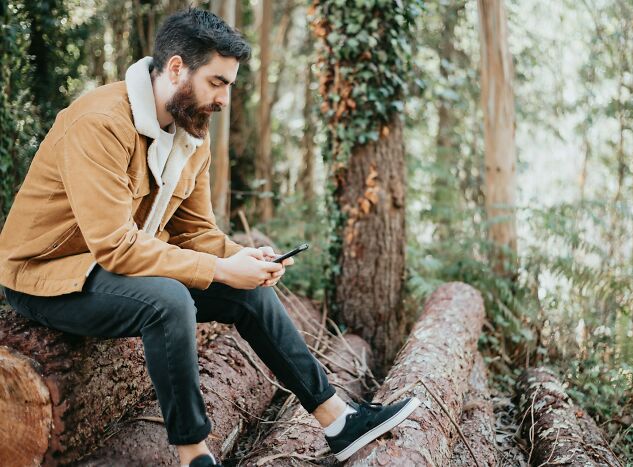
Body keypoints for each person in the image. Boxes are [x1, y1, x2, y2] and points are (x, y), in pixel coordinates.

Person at [0, 7, 419, 467]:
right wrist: (220, 268)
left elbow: (196, 231)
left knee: (248, 295)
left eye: (229, 86)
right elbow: (114, 244)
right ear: (177, 67)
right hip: (45, 277)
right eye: (216, 82)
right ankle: (194, 454)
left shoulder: (190, 133)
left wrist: (245, 259)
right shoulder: (101, 122)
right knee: (169, 299)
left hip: (111, 272)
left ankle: (338, 419)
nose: (223, 99)